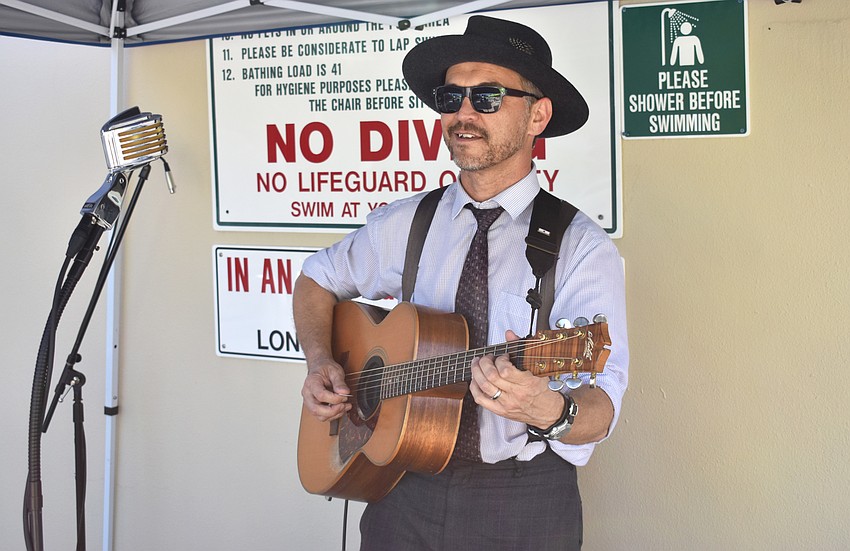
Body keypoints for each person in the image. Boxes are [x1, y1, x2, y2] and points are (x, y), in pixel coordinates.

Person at [295, 15, 628, 550]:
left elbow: (601, 407)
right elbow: (315, 278)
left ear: (537, 115)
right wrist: (320, 361)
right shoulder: (405, 223)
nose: (464, 114)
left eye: (488, 97)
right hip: (398, 489)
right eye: (452, 98)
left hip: (522, 499)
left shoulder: (580, 247)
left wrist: (550, 410)